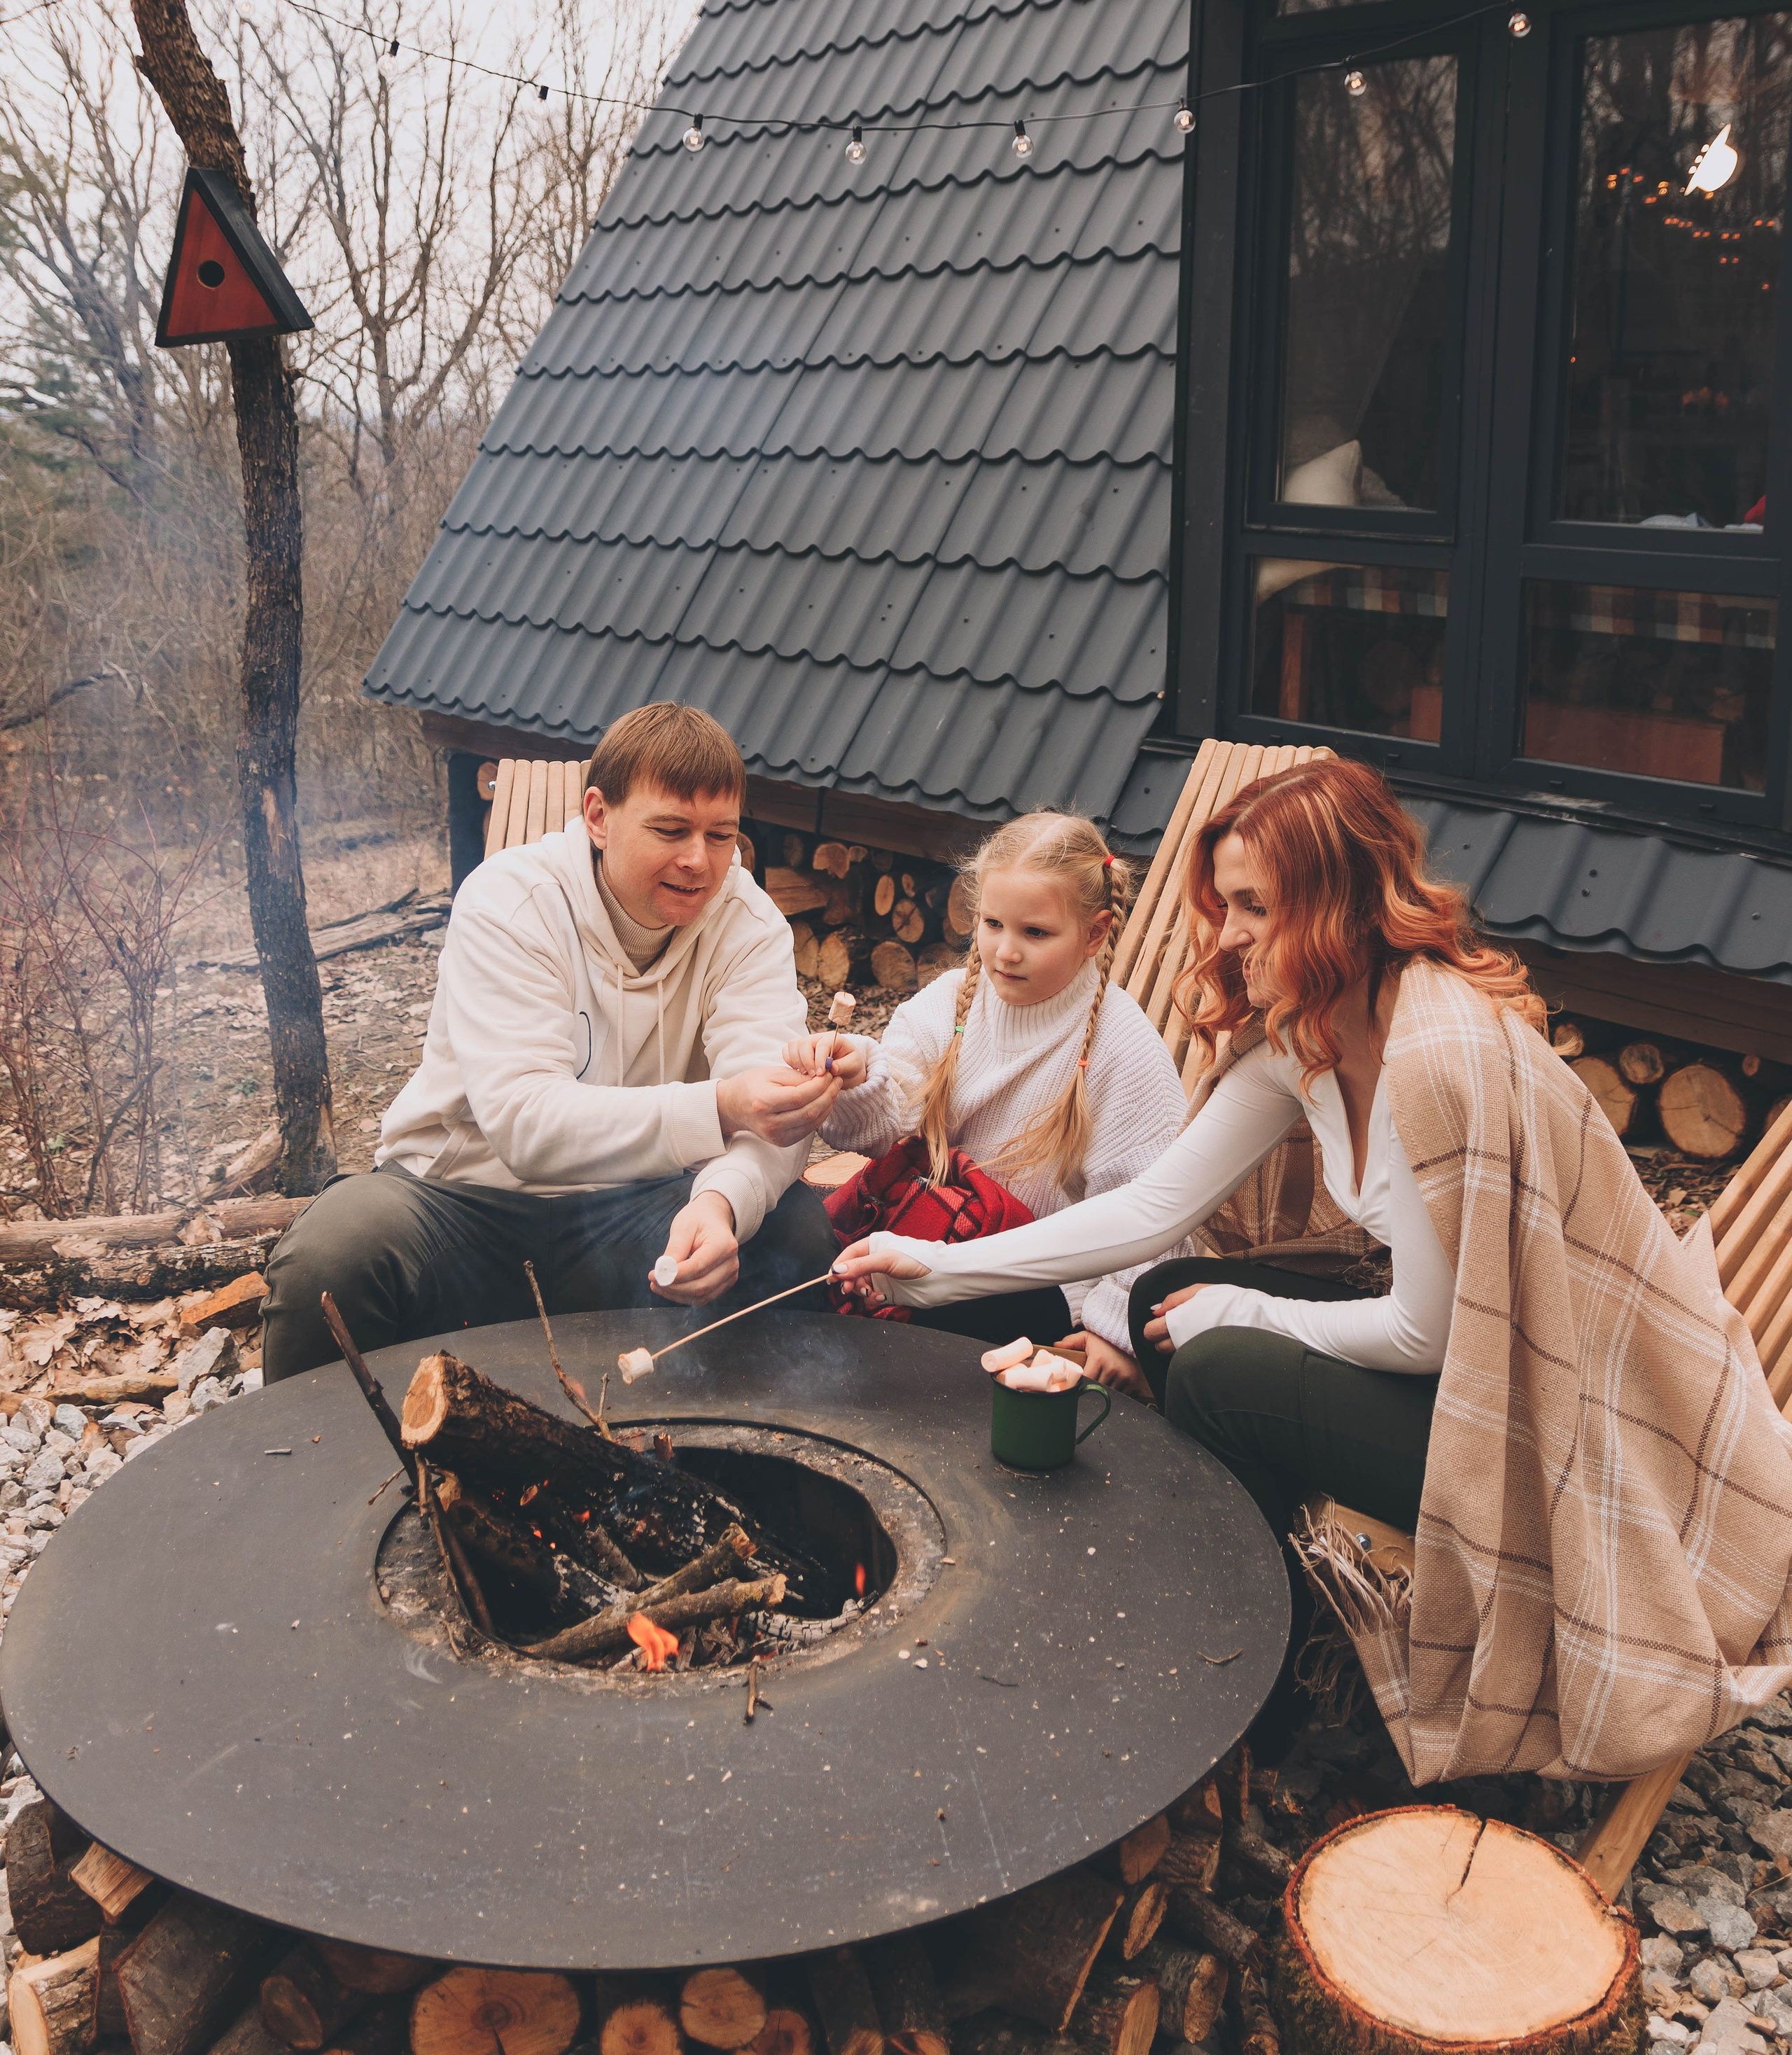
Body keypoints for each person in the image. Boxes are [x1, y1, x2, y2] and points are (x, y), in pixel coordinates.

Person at [836, 759, 1792, 1784]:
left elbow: (1429, 1334)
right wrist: (940, 1266)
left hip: (1552, 1426)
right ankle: (1258, 1623)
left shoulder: (1436, 1057)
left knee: (1217, 1366)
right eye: (1226, 904)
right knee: (1164, 1299)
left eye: (1256, 905)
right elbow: (1156, 1208)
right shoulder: (1313, 1034)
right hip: (1465, 1365)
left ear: (1337, 905)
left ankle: (1260, 1687)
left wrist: (1240, 1308)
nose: (1228, 932)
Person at [262, 703, 841, 1381]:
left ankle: (735, 1470)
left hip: (634, 1216)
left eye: (721, 837)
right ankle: (315, 1473)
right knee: (333, 1252)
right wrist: (720, 1105)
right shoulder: (513, 902)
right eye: (671, 830)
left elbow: (774, 1117)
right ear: (598, 816)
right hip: (461, 1205)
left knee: (791, 1228)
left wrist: (720, 1204)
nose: (698, 861)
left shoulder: (747, 922)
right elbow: (526, 1125)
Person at [788, 811, 1190, 1396]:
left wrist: (1113, 1327)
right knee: (795, 1245)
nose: (1005, 951)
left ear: (1096, 934)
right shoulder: (951, 1004)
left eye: (1035, 933)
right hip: (934, 1230)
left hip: (1039, 1285)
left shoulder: (1123, 1050)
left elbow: (1154, 1211)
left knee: (923, 1325)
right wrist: (857, 1078)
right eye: (993, 923)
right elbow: (878, 1132)